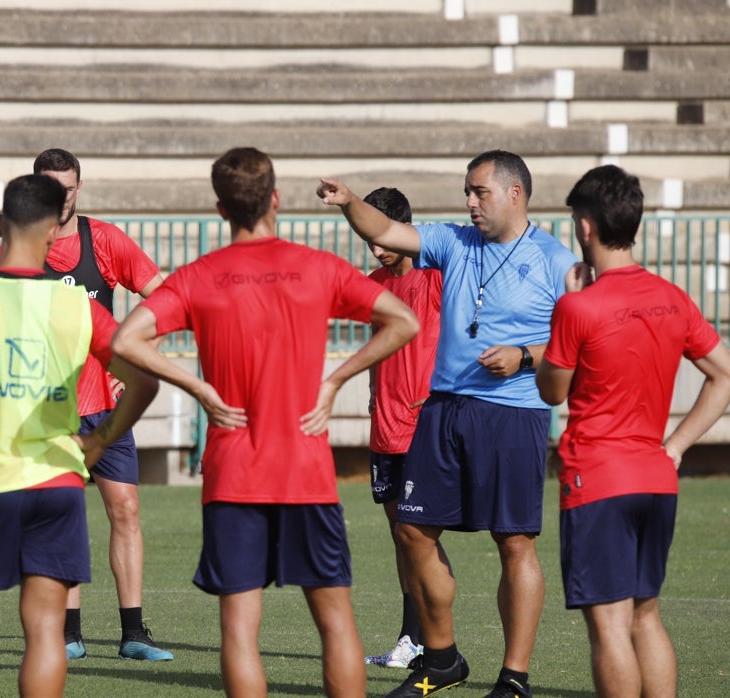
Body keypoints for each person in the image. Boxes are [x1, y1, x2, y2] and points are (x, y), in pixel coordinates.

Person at [112, 147, 419, 697]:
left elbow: (125, 339)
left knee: (239, 628)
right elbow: (402, 320)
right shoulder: (318, 267)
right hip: (306, 469)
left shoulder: (197, 276)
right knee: (334, 621)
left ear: (220, 209)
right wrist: (335, 380)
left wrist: (199, 387)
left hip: (233, 474)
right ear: (275, 199)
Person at [318, 150, 584, 698]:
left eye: (479, 192)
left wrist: (526, 356)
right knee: (412, 530)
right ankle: (441, 659)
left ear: (515, 193)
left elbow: (577, 347)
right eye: (467, 191)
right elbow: (387, 228)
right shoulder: (454, 241)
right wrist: (349, 203)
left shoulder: (557, 261)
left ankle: (514, 678)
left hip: (514, 413)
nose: (469, 202)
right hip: (442, 409)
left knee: (514, 543)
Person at [0, 173, 159, 697]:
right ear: (51, 232)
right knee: (45, 628)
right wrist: (101, 439)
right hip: (58, 484)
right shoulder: (79, 306)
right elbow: (143, 383)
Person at [536, 165, 730, 698]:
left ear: (584, 227)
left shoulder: (578, 305)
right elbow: (724, 375)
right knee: (646, 616)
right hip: (655, 476)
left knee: (610, 625)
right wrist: (677, 446)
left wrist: (561, 308)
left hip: (597, 481)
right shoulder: (672, 297)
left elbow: (551, 391)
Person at [0, 148, 170, 661]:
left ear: (78, 190)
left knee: (125, 509)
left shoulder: (104, 240)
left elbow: (162, 298)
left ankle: (133, 632)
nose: (60, 197)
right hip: (46, 411)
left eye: (67, 188)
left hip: (104, 408)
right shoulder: (14, 251)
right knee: (60, 518)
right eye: (49, 186)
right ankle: (69, 634)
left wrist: (129, 364)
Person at [360, 187, 445, 671]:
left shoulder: (435, 279)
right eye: (367, 237)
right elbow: (378, 346)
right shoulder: (374, 284)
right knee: (400, 534)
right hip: (384, 426)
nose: (374, 247)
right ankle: (412, 639)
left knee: (419, 534)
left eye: (380, 235)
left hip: (421, 424)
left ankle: (433, 642)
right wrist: (374, 389)